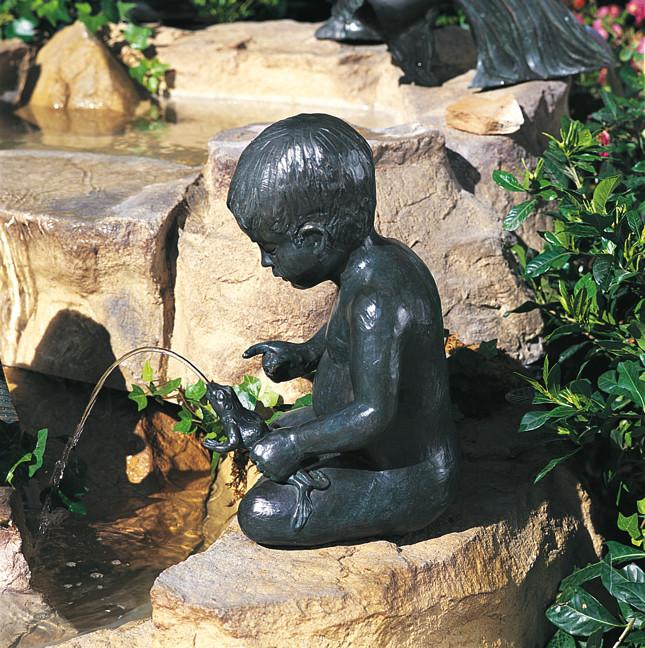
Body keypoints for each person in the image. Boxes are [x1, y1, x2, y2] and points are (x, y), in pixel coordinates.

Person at [214, 113, 458, 547]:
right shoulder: (371, 268)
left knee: (262, 512)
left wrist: (294, 446)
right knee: (276, 430)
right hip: (363, 444)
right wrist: (305, 354)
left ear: (313, 238)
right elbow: (342, 338)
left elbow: (372, 413)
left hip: (405, 475)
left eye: (270, 248)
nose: (266, 263)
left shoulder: (376, 299)